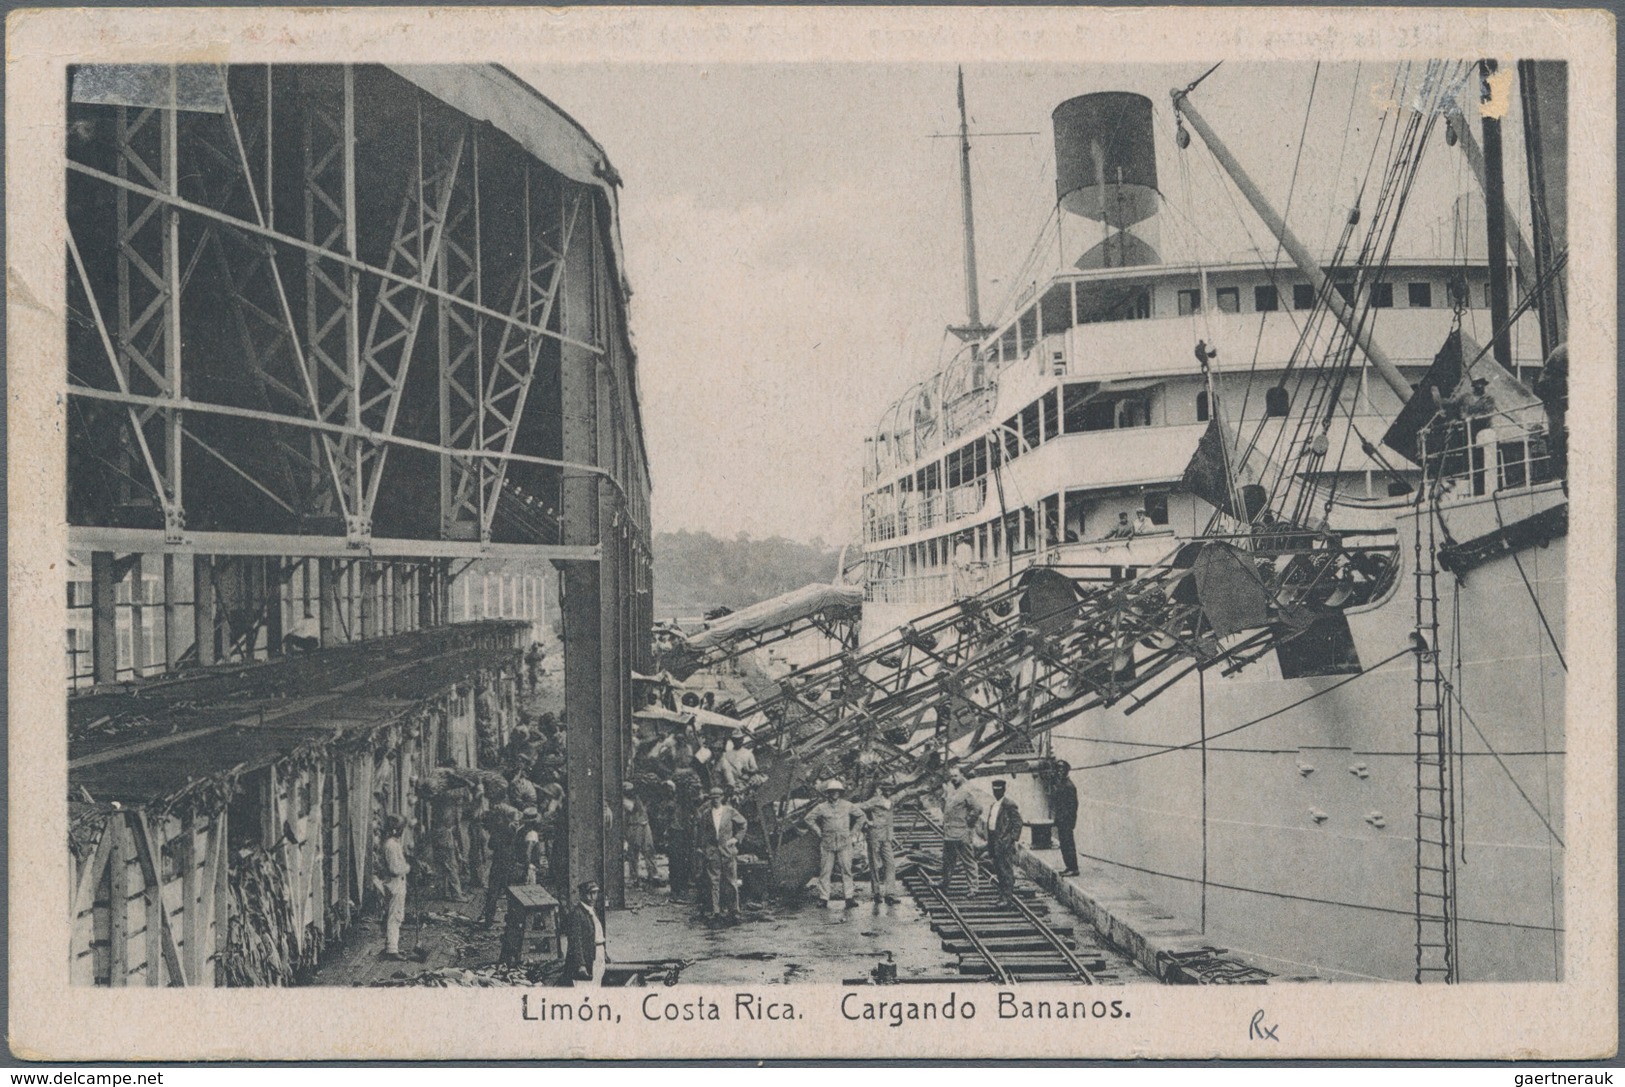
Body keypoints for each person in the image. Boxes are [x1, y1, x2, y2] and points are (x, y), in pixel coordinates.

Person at [805, 780, 867, 907]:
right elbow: (808, 818)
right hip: (827, 842)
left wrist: (854, 832)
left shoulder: (847, 805)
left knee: (847, 870)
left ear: (840, 793)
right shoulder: (822, 807)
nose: (834, 794)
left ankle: (849, 898)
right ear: (828, 793)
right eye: (832, 792)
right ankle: (823, 898)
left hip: (844, 842)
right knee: (825, 871)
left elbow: (861, 816)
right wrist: (818, 831)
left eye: (837, 791)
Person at [696, 786, 747, 922]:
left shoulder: (730, 811)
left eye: (718, 797)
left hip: (728, 851)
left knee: (731, 881)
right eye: (713, 798)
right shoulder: (706, 814)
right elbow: (702, 833)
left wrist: (735, 839)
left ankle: (734, 910)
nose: (715, 800)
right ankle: (716, 911)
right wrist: (704, 848)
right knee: (714, 881)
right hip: (713, 852)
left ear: (722, 797)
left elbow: (743, 824)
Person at [939, 769, 982, 892]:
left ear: (962, 776)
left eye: (956, 776)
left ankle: (973, 888)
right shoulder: (951, 791)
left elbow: (977, 809)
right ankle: (944, 883)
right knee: (947, 860)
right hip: (949, 833)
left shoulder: (966, 791)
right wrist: (944, 796)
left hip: (962, 833)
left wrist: (969, 822)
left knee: (968, 860)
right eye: (952, 776)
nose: (953, 778)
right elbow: (945, 810)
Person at [666, 765, 703, 900]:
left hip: (682, 831)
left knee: (683, 860)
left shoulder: (686, 802)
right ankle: (678, 888)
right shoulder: (675, 802)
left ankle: (680, 888)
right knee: (679, 860)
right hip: (678, 831)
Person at [862, 780, 901, 905]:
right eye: (886, 789)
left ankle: (890, 893)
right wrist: (867, 822)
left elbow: (906, 793)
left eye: (891, 789)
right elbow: (858, 807)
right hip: (875, 835)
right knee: (874, 864)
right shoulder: (875, 800)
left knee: (890, 864)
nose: (889, 791)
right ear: (882, 789)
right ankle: (876, 893)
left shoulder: (891, 800)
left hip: (887, 837)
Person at [561, 880, 607, 985]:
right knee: (584, 987)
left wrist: (604, 954)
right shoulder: (577, 914)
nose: (592, 897)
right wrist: (581, 964)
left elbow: (598, 935)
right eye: (589, 894)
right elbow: (575, 942)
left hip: (597, 955)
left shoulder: (593, 911)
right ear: (582, 895)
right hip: (587, 958)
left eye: (594, 893)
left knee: (596, 985)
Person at [986, 780, 1025, 903]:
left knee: (1006, 870)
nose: (996, 792)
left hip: (1004, 843)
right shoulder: (994, 804)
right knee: (998, 870)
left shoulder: (1009, 804)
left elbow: (1018, 822)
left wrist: (1011, 839)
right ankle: (1001, 897)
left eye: (998, 790)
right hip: (994, 841)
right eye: (994, 790)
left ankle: (1007, 898)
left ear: (1003, 790)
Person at [378, 815, 411, 960]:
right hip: (394, 883)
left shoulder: (392, 843)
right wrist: (408, 868)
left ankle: (392, 945)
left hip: (396, 883)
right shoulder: (391, 845)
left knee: (395, 915)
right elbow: (394, 869)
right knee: (395, 916)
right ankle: (391, 950)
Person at [622, 781, 659, 888]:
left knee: (649, 849)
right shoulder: (624, 800)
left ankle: (653, 874)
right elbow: (633, 808)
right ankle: (634, 878)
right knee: (634, 852)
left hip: (644, 824)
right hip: (633, 826)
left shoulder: (636, 798)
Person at [1049, 762, 1080, 876]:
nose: (1059, 771)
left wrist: (1071, 822)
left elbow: (1073, 806)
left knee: (1068, 844)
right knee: (1064, 844)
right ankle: (1069, 866)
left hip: (1066, 821)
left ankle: (1073, 868)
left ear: (1066, 771)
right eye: (1058, 769)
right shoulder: (1062, 784)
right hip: (1062, 820)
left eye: (1062, 769)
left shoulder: (1069, 786)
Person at [718, 730, 758, 797]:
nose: (737, 741)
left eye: (739, 739)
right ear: (732, 740)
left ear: (742, 739)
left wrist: (748, 771)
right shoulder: (727, 754)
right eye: (735, 739)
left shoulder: (748, 753)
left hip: (745, 783)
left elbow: (755, 769)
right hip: (732, 785)